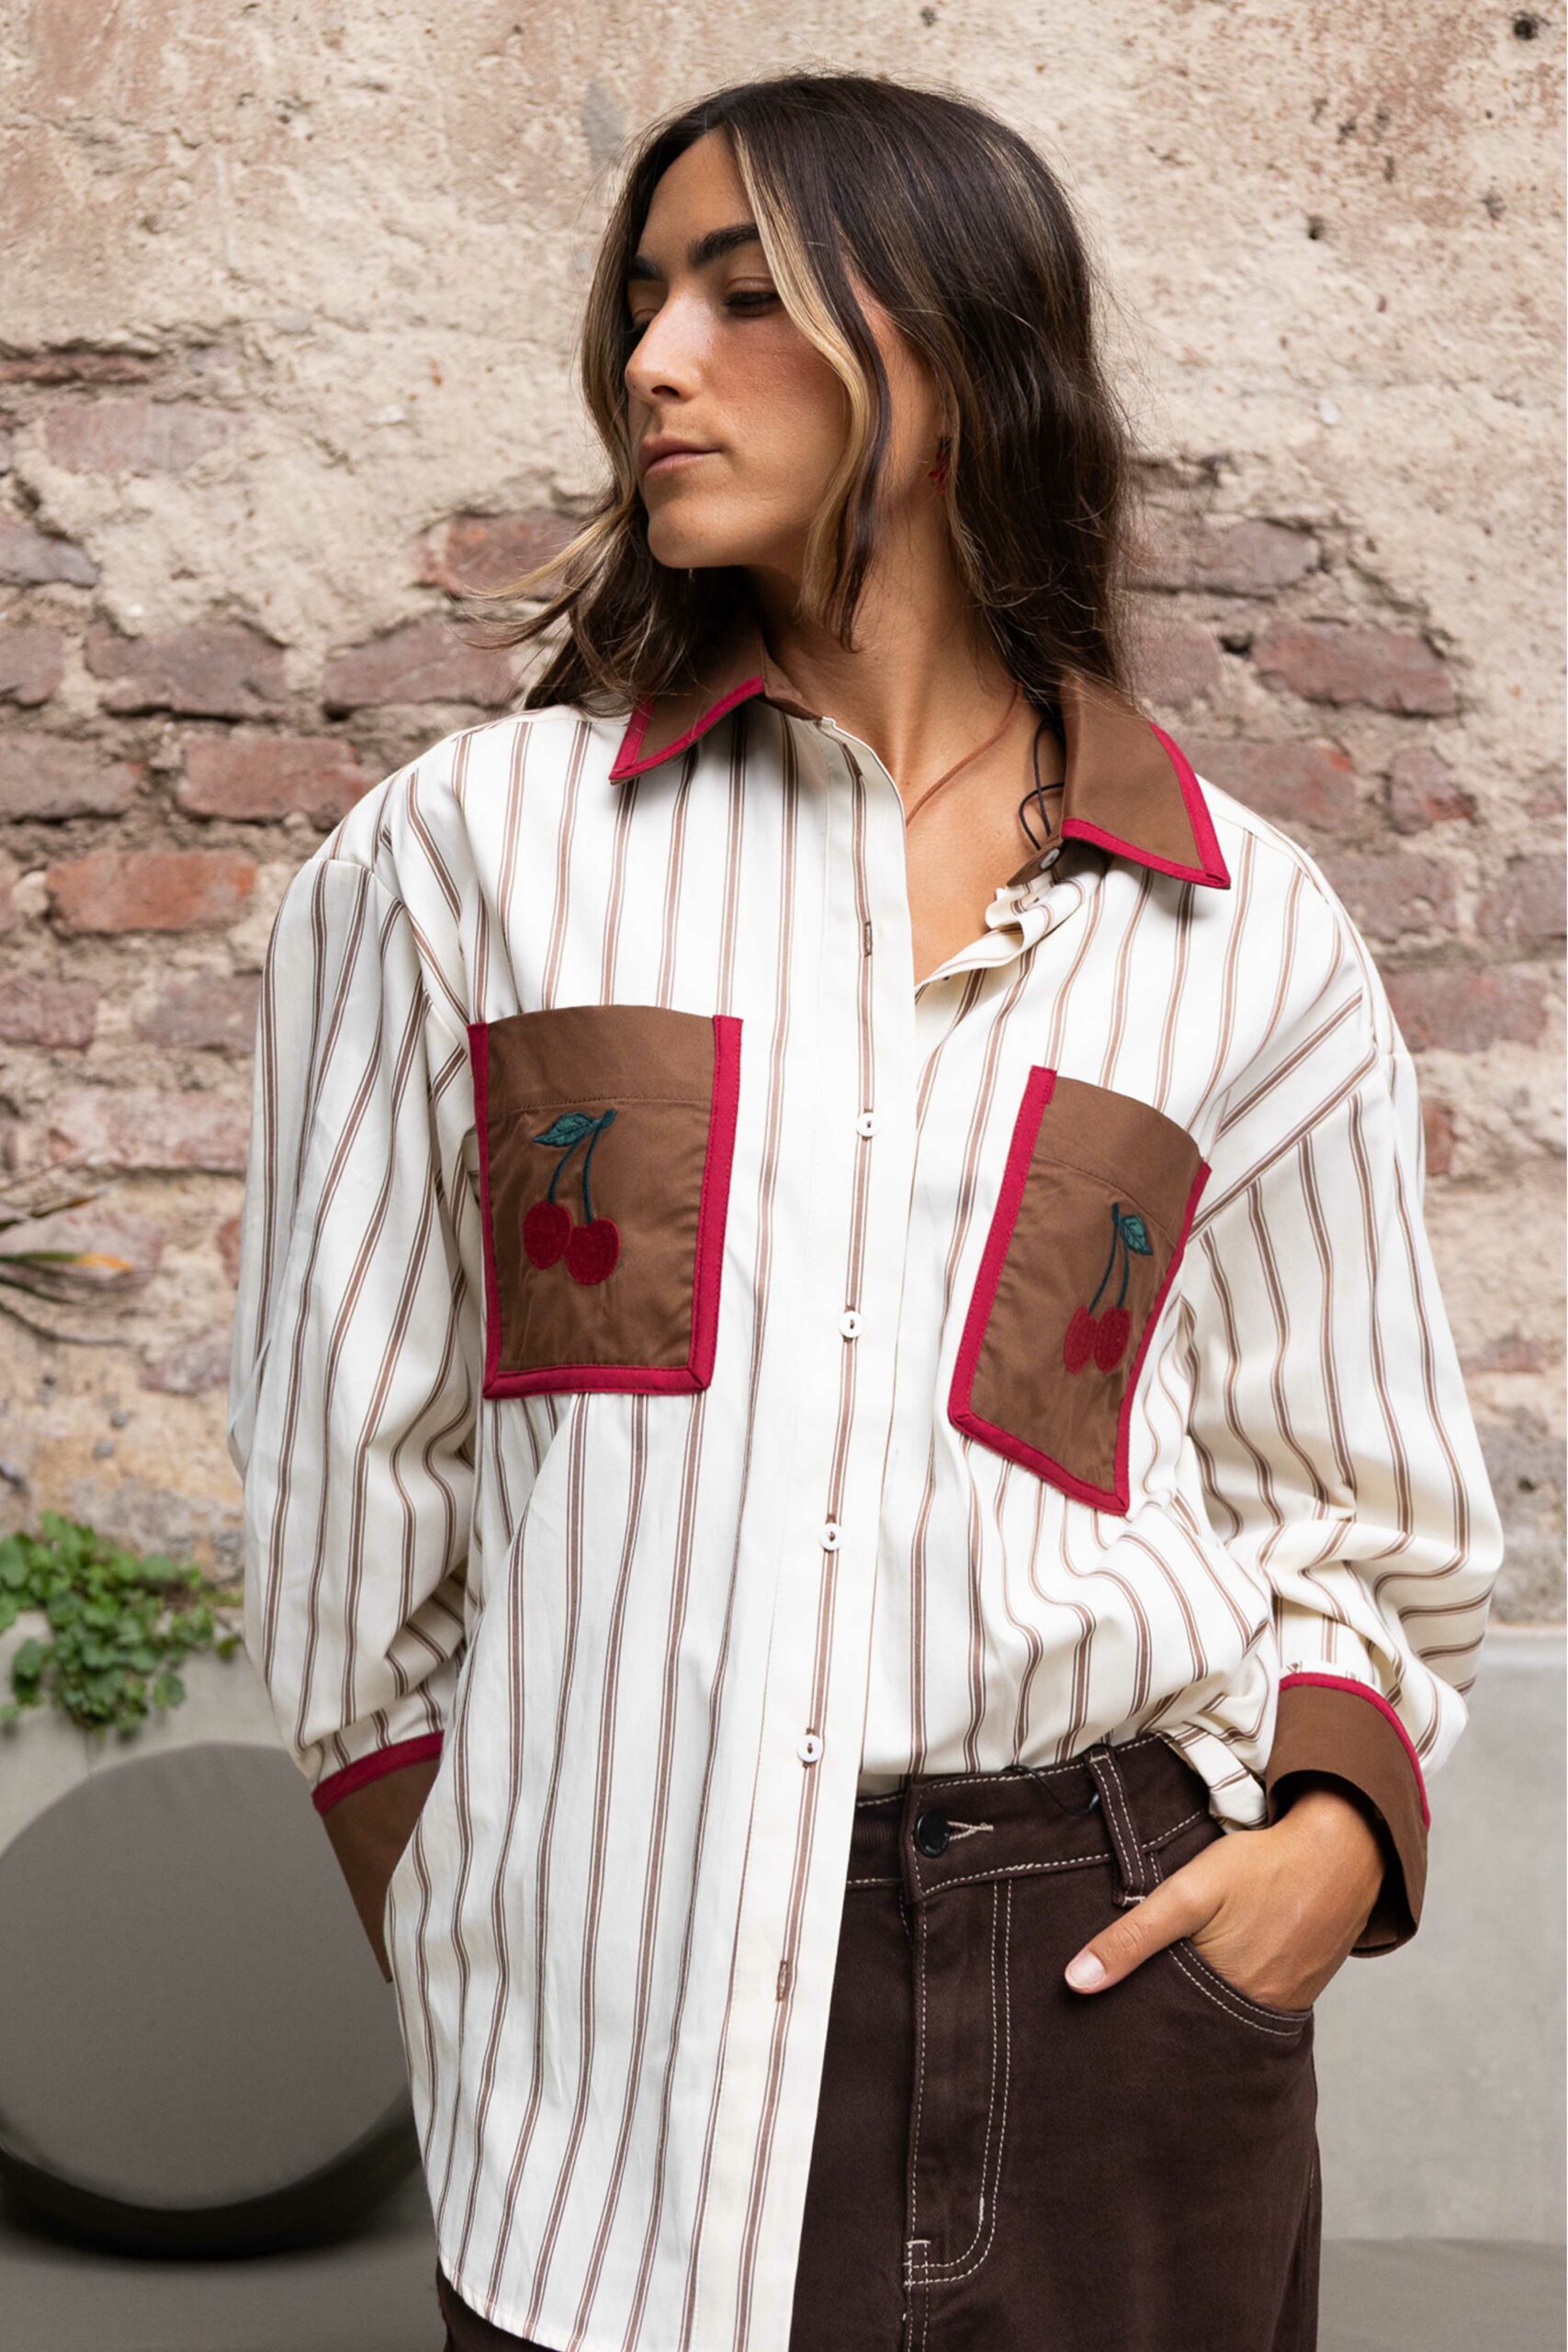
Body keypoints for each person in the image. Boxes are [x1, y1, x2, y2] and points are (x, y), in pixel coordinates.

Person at [226, 69, 1505, 2352]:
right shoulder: (466, 858)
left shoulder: (1242, 932)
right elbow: (352, 1495)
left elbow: (1363, 1499)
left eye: (742, 295)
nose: (651, 361)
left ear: (958, 349)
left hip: (1114, 1971)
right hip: (608, 2010)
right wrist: (482, 1924)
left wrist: (1315, 1853)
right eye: (641, 298)